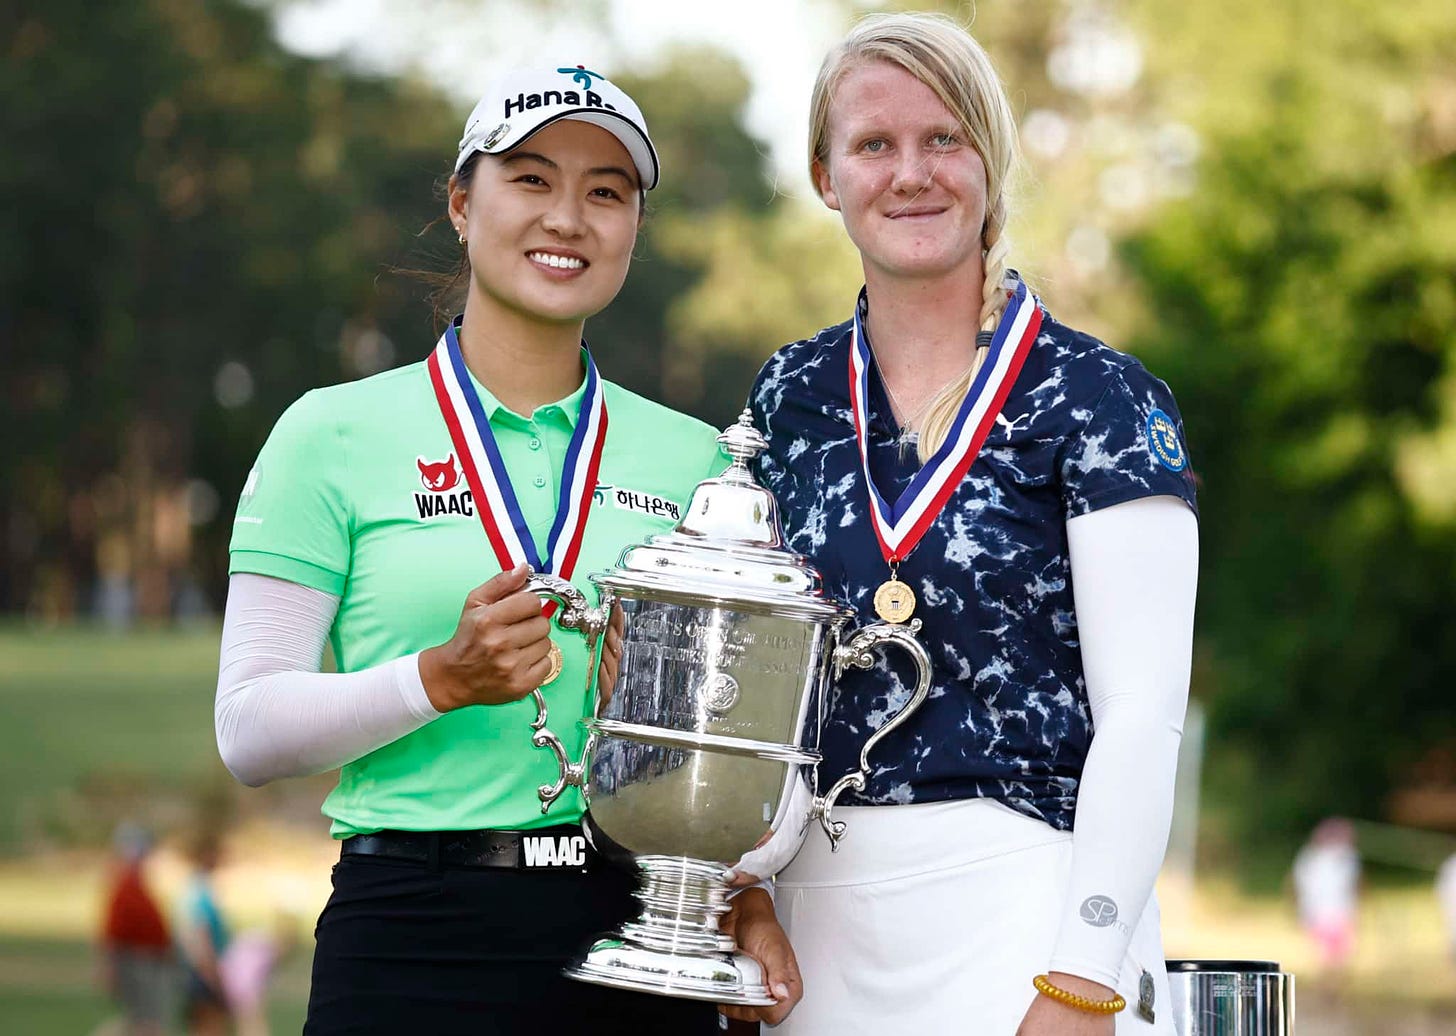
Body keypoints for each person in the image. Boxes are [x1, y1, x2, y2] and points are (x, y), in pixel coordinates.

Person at [216, 66, 768, 1033]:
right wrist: (440, 677)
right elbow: (251, 730)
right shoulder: (331, 432)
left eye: (607, 192)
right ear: (463, 205)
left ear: (634, 231)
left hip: (639, 929)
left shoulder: (701, 461)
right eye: (532, 179)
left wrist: (749, 891)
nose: (568, 217)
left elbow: (734, 734)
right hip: (411, 931)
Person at [732, 12, 1199, 1035]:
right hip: (815, 934)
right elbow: (745, 691)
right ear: (825, 174)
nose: (912, 173)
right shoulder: (788, 394)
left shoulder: (1101, 398)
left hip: (1031, 913)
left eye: (943, 138)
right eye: (874, 144)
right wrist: (744, 895)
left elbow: (1143, 712)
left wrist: (1082, 974)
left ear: (990, 158)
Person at [96, 822, 175, 1036]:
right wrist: (109, 966)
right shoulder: (125, 884)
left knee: (142, 1020)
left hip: (148, 961)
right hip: (136, 962)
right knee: (145, 1021)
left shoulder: (137, 883)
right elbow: (113, 932)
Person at [174, 828, 231, 1036]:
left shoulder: (194, 887)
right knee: (209, 1025)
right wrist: (212, 974)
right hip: (201, 969)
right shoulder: (200, 890)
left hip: (196, 967)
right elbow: (200, 935)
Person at [1291, 817, 1360, 978]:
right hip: (1321, 912)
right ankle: (1330, 984)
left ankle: (1332, 984)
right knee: (1329, 953)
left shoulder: (1346, 858)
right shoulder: (1312, 858)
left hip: (1338, 912)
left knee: (1338, 953)